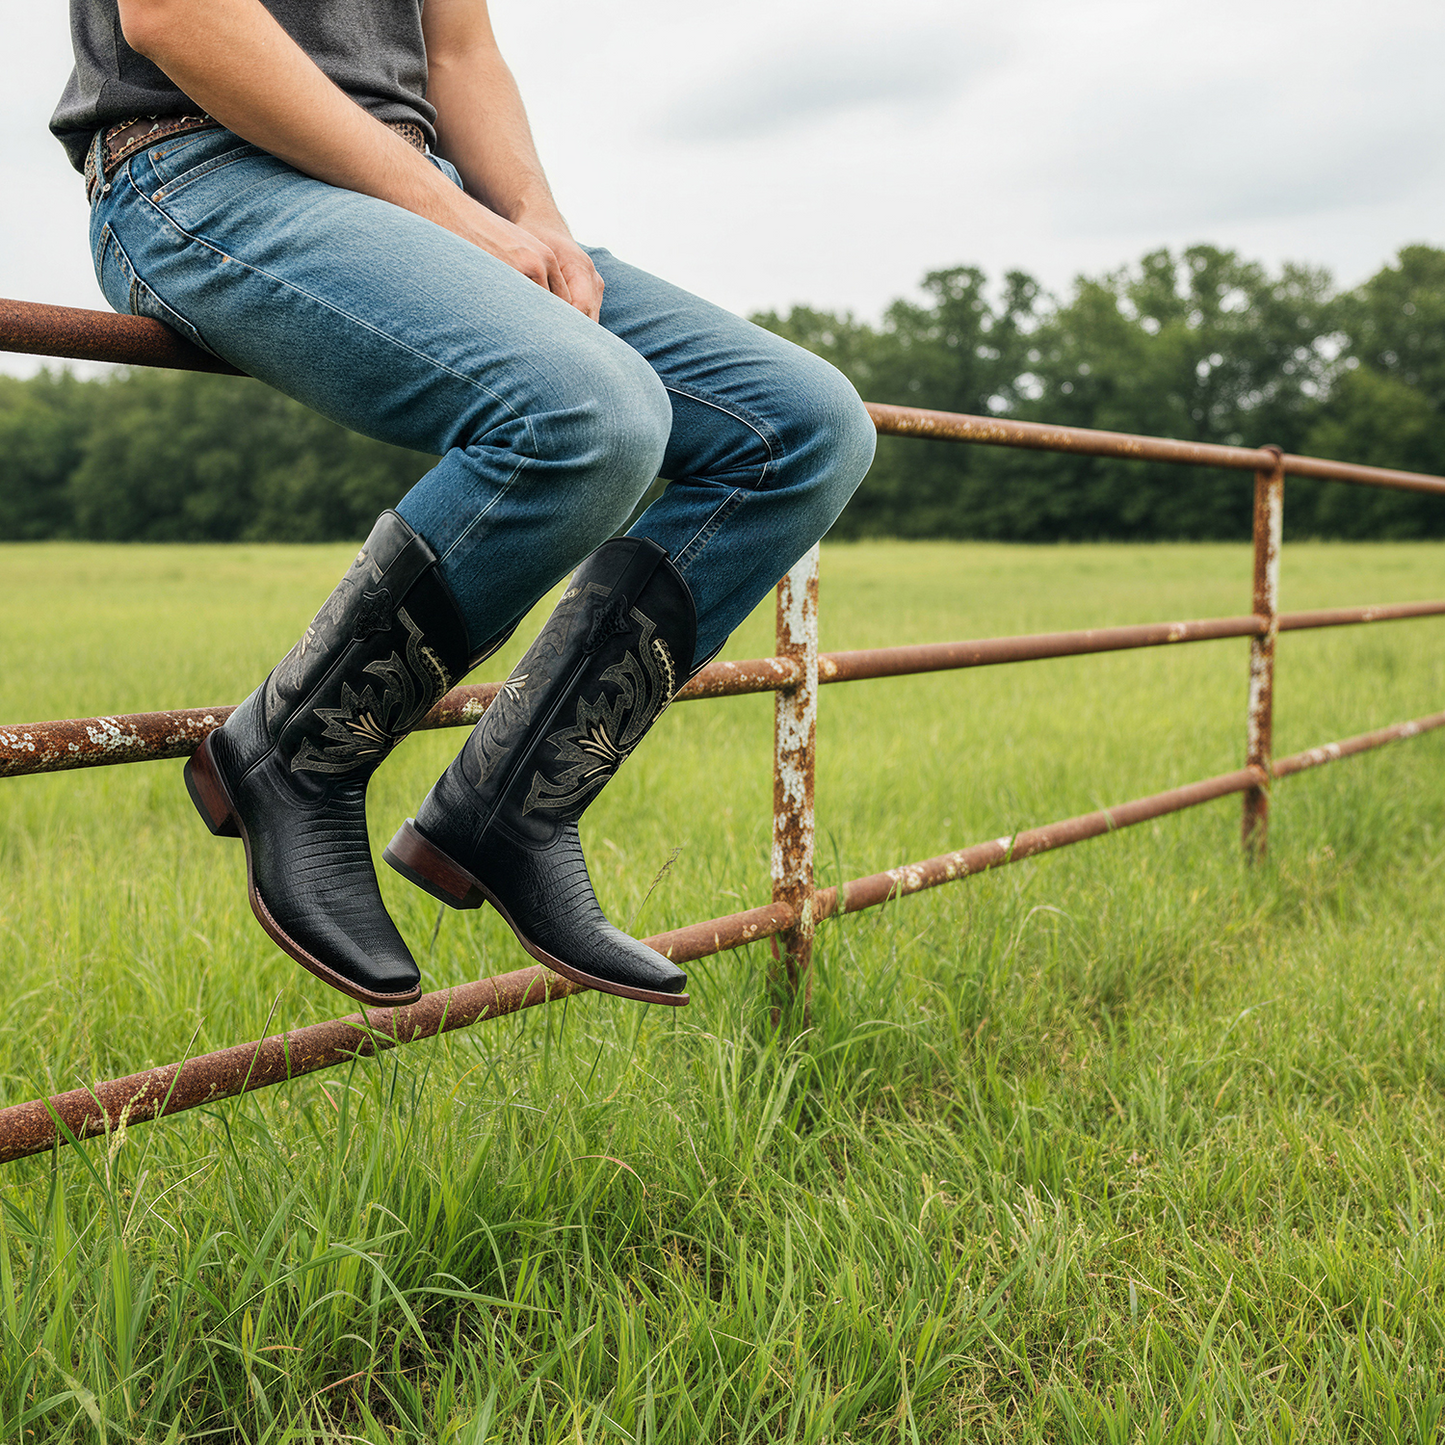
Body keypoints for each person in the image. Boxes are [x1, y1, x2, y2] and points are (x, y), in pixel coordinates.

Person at [51, 0, 876, 1011]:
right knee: (591, 412)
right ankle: (293, 756)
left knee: (803, 424)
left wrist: (534, 225)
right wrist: (449, 216)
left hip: (414, 187)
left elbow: (459, 49)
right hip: (199, 166)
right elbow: (178, 16)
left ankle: (514, 805)